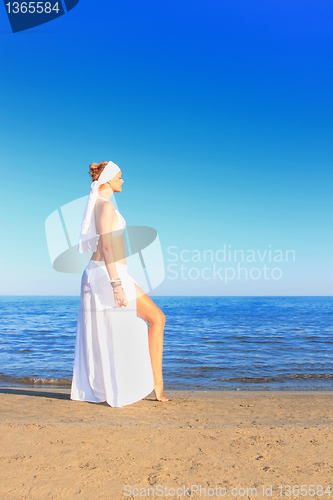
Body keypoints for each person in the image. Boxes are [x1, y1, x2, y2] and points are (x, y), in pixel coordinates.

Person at [70, 160, 169, 406]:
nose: (123, 181)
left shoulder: (101, 206)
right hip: (108, 273)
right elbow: (104, 246)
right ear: (110, 179)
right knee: (157, 318)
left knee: (109, 330)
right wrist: (116, 284)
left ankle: (117, 386)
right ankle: (156, 385)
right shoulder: (104, 208)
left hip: (104, 272)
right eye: (120, 176)